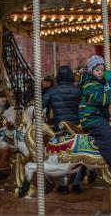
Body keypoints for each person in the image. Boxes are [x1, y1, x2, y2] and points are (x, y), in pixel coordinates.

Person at [42, 65, 83, 194]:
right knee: (77, 155)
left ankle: (62, 185)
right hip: (76, 126)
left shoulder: (52, 90)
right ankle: (76, 184)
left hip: (59, 127)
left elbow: (41, 104)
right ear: (71, 76)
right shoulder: (77, 90)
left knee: (61, 154)